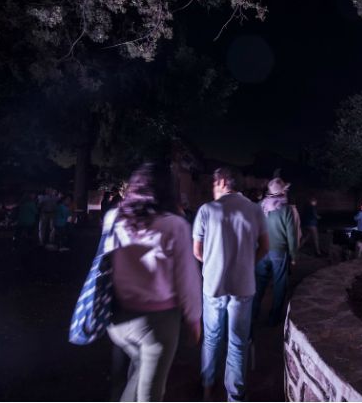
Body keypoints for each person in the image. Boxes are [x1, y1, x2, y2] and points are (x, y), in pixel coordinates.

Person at [102, 163, 202, 402]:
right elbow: (186, 278)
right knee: (151, 393)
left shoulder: (113, 218)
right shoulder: (174, 225)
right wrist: (194, 318)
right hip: (157, 323)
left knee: (139, 370)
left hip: (118, 317)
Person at [192, 167, 269, 402]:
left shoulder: (207, 210)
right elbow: (265, 247)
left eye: (213, 184)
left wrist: (215, 262)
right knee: (237, 342)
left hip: (214, 285)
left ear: (223, 182)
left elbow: (197, 251)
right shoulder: (255, 210)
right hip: (243, 285)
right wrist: (246, 263)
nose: (212, 189)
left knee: (212, 338)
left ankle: (207, 385)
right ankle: (234, 395)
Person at [254, 178, 299, 330]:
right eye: (284, 189)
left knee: (259, 284)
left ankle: (253, 314)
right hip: (279, 251)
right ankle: (273, 318)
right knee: (280, 284)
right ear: (281, 192)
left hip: (262, 250)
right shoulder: (286, 209)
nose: (286, 191)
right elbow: (291, 235)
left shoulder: (261, 206)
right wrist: (293, 255)